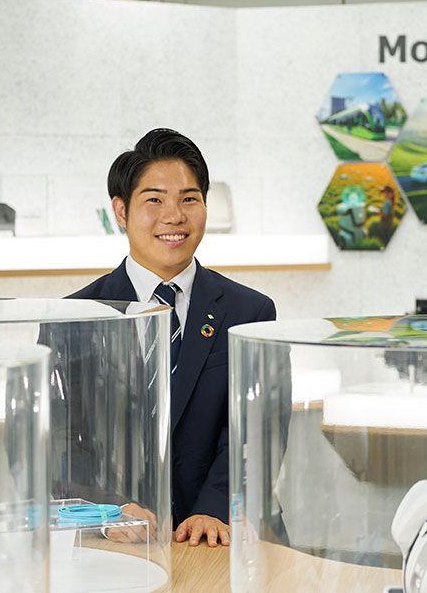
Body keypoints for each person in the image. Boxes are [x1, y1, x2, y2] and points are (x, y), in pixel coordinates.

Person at [68, 128, 277, 547]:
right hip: (116, 537)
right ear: (121, 211)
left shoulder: (251, 311)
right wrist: (112, 508)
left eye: (189, 199)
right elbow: (62, 439)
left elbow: (260, 429)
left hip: (222, 534)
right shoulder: (76, 316)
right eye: (154, 200)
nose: (174, 216)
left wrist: (214, 508)